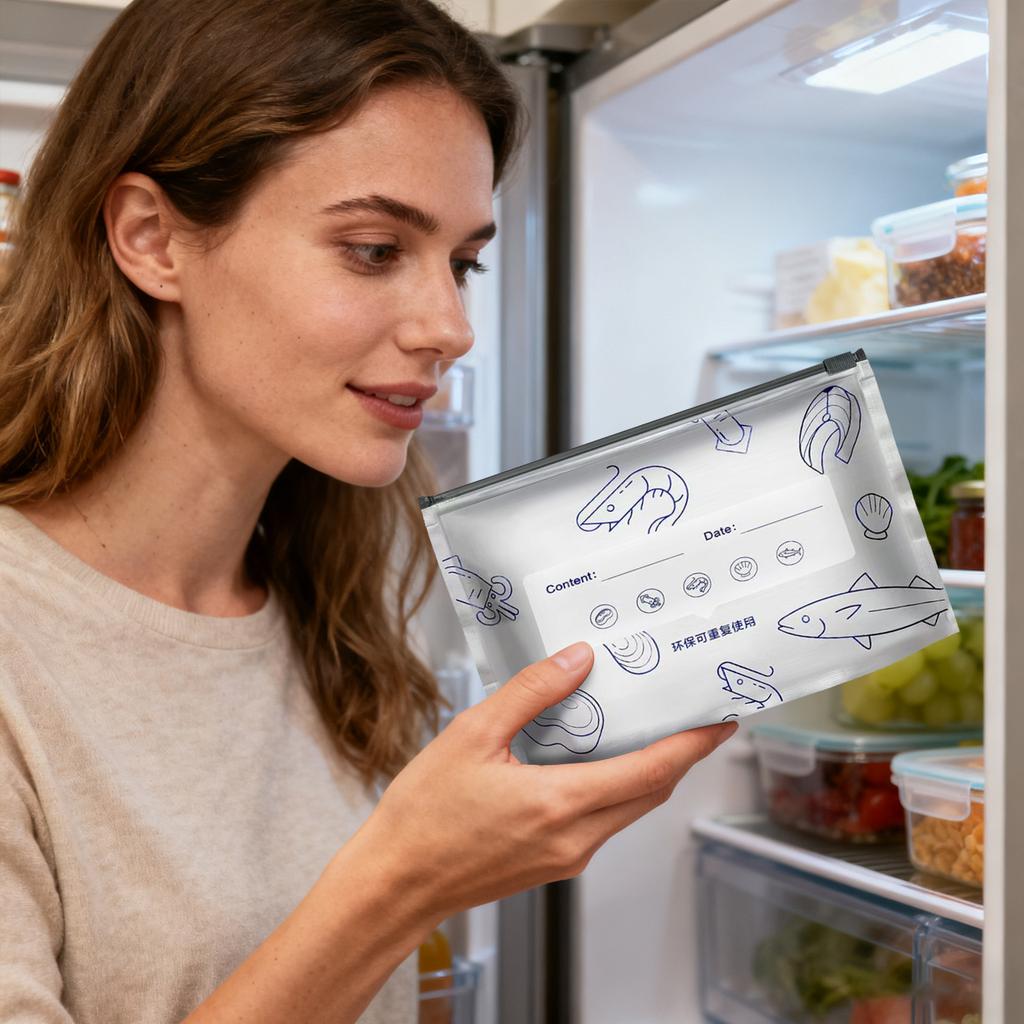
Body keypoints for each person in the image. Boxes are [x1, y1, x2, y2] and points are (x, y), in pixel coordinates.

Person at [0, 2, 736, 1022]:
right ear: (152, 238)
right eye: (375, 248)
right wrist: (403, 880)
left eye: (462, 261)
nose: (451, 328)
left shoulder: (325, 601)